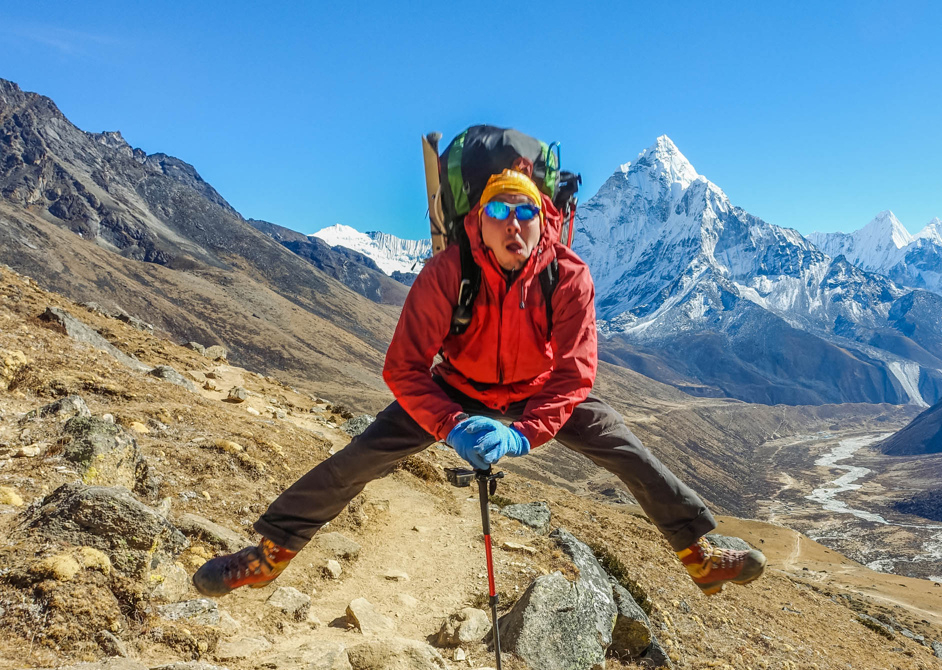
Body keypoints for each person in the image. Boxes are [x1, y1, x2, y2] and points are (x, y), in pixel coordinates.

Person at [193, 153, 766, 598]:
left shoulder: (569, 278)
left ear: (544, 222)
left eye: (524, 213)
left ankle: (698, 556)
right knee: (361, 456)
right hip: (457, 389)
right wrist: (450, 424)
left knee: (623, 447)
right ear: (480, 222)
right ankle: (270, 554)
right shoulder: (448, 272)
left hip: (536, 393)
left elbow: (573, 373)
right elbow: (405, 367)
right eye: (498, 212)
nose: (512, 225)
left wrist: (525, 431)